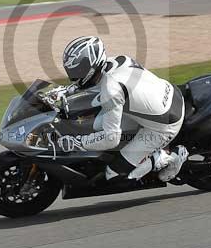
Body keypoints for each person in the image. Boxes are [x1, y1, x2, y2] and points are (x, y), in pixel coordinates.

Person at [58, 36, 188, 182]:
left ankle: (169, 158)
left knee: (115, 175)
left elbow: (111, 139)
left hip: (164, 124)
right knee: (94, 125)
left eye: (78, 70)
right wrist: (66, 92)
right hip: (167, 95)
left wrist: (77, 143)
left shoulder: (111, 89)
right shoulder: (117, 61)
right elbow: (98, 87)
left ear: (91, 65)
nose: (74, 75)